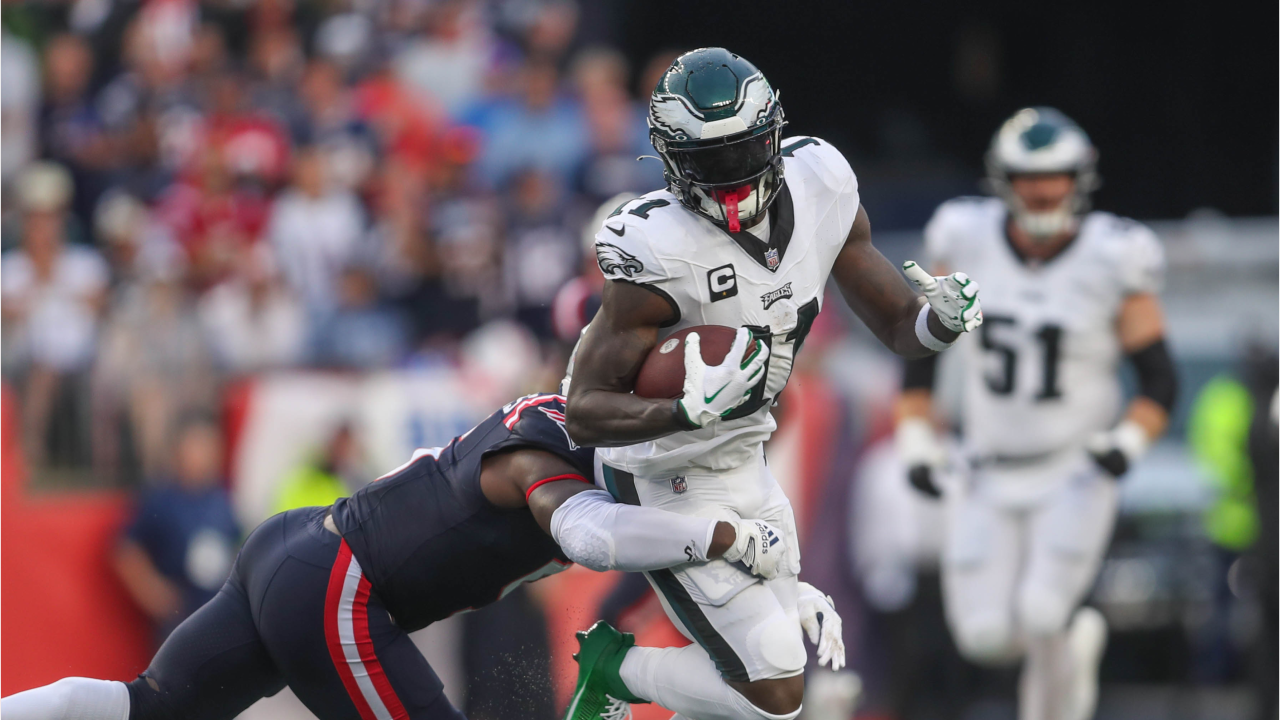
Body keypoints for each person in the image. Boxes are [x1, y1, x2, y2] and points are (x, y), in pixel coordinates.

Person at [559, 48, 984, 720]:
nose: (729, 176)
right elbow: (582, 412)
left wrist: (939, 324)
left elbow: (901, 326)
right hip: (663, 472)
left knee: (755, 674)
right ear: (672, 159)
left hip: (745, 456)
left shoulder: (822, 185)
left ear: (775, 136)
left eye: (742, 150)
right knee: (776, 691)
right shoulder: (655, 246)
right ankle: (617, 671)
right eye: (709, 159)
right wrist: (683, 410)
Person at [0, 393, 822, 720]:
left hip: (295, 550)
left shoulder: (580, 432)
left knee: (149, 710)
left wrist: (778, 579)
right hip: (338, 586)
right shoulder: (542, 462)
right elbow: (591, 535)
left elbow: (646, 560)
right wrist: (725, 537)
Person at [894, 108, 1177, 720]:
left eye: (1056, 176)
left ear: (1081, 179)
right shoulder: (963, 236)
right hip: (984, 464)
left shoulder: (1114, 253)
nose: (1045, 191)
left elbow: (1159, 377)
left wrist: (1127, 442)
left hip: (1071, 467)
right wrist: (916, 438)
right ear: (1004, 180)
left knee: (1046, 613)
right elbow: (923, 349)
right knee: (984, 637)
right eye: (1029, 176)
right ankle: (1068, 660)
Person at [114, 414, 240, 642]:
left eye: (211, 445)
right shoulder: (160, 498)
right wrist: (155, 594)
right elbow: (125, 550)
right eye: (197, 444)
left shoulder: (222, 498)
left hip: (218, 618)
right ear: (178, 450)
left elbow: (236, 545)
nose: (205, 454)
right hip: (178, 626)